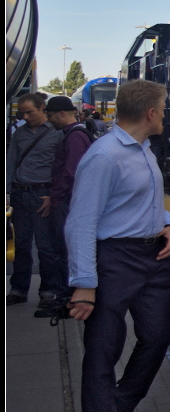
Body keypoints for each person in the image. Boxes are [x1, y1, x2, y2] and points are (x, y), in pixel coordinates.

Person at [64, 80, 170, 412]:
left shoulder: (144, 150)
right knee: (101, 354)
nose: (166, 114)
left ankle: (121, 402)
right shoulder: (104, 156)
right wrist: (84, 283)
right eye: (164, 108)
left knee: (159, 334)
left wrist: (168, 223)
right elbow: (81, 222)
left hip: (154, 258)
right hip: (114, 260)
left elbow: (145, 202)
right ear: (150, 112)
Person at [7, 92, 66, 313]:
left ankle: (48, 292)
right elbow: (11, 162)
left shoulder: (57, 134)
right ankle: (19, 290)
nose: (25, 116)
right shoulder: (19, 134)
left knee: (45, 246)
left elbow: (62, 168)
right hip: (20, 194)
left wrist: (53, 195)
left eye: (29, 112)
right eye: (22, 113)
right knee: (21, 245)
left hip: (42, 194)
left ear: (43, 108)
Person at [40, 96, 94, 317]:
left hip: (67, 203)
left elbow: (71, 172)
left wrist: (55, 197)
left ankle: (66, 299)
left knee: (63, 251)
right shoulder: (76, 134)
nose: (49, 120)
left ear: (62, 113)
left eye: (50, 115)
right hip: (68, 201)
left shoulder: (74, 136)